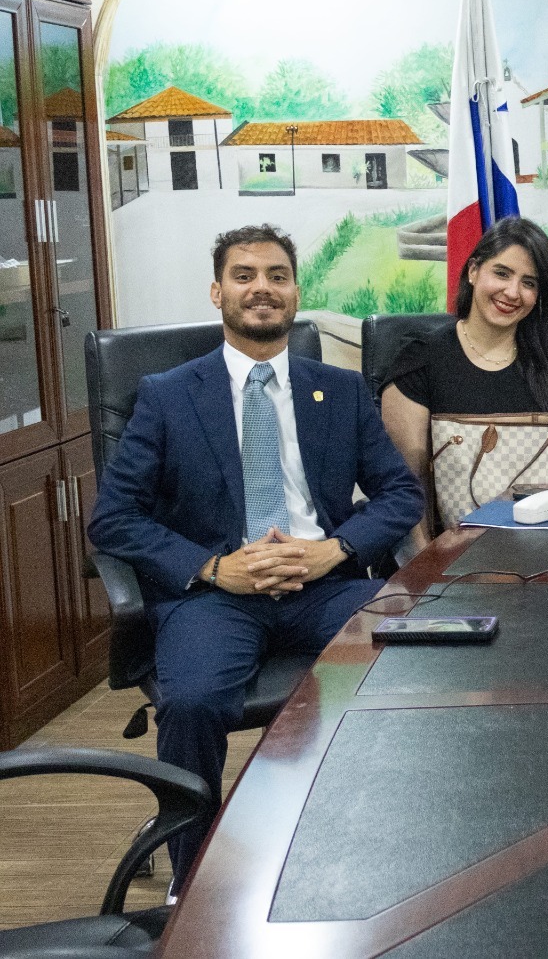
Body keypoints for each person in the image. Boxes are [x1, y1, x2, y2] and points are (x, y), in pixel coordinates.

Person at [88, 224, 422, 891]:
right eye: (244, 275)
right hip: (214, 596)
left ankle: (388, 845)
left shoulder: (340, 390)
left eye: (276, 275)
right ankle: (192, 880)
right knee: (193, 699)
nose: (262, 288)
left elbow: (400, 492)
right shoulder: (168, 394)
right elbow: (113, 518)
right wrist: (215, 567)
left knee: (418, 654)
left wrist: (336, 549)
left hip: (323, 587)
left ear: (296, 293)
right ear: (218, 291)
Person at [380, 217, 548, 549]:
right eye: (502, 273)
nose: (513, 292)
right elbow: (405, 492)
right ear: (473, 271)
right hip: (457, 560)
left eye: (529, 283)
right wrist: (426, 573)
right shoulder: (420, 360)